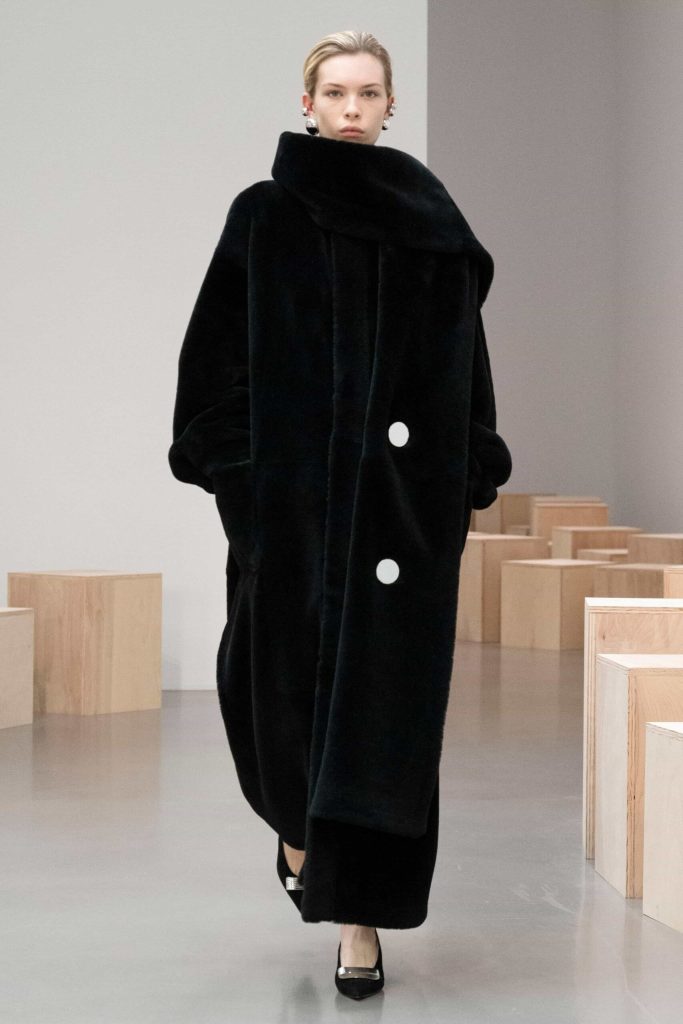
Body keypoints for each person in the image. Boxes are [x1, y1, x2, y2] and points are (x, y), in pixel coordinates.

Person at [168, 29, 512, 1001]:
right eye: (334, 92)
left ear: (390, 106)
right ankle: (295, 834)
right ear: (306, 103)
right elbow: (210, 374)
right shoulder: (265, 215)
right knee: (271, 708)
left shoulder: (430, 224)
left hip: (399, 531)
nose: (351, 108)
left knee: (379, 733)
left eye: (367, 92)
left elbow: (467, 379)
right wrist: (249, 488)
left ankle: (359, 925)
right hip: (290, 523)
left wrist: (459, 480)